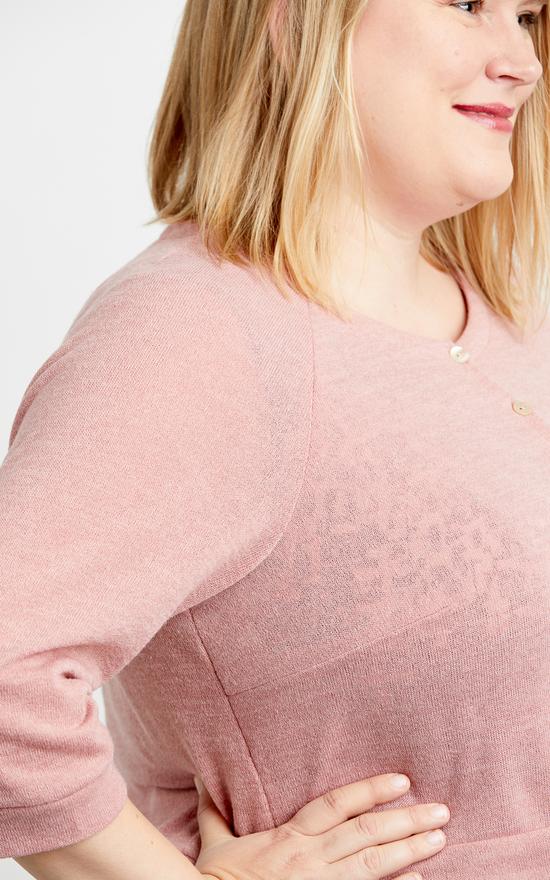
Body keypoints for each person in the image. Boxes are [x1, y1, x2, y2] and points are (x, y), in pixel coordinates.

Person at [2, 2, 550, 879]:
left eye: (526, 15)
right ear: (292, 21)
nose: (522, 61)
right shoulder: (199, 336)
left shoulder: (511, 315)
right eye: (466, 3)